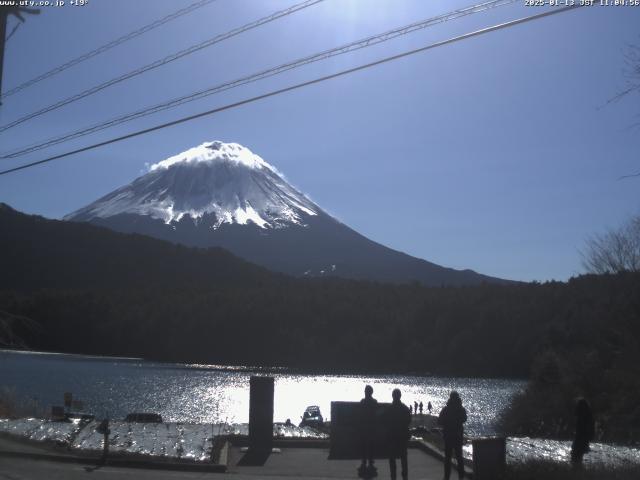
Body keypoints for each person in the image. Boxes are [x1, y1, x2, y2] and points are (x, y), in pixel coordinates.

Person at [438, 391, 467, 480]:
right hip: (458, 436)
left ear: (450, 398)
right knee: (459, 458)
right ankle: (461, 477)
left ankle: (447, 477)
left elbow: (440, 421)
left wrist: (446, 423)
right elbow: (464, 419)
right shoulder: (461, 409)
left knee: (448, 458)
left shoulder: (446, 409)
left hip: (448, 436)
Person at [386, 389, 411, 480]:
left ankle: (393, 476)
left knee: (392, 458)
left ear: (393, 396)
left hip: (392, 436)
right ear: (400, 396)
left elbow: (385, 421)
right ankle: (405, 476)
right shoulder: (405, 408)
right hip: (402, 436)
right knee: (403, 458)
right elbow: (408, 420)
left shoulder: (389, 409)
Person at [359, 385, 378, 476]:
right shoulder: (374, 402)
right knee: (371, 446)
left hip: (364, 427)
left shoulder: (362, 402)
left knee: (363, 446)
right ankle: (370, 463)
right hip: (372, 427)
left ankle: (364, 462)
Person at [571, 397, 594, 465]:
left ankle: (577, 472)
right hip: (583, 440)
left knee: (575, 457)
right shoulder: (589, 416)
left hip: (580, 439)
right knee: (578, 457)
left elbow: (580, 430)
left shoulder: (582, 417)